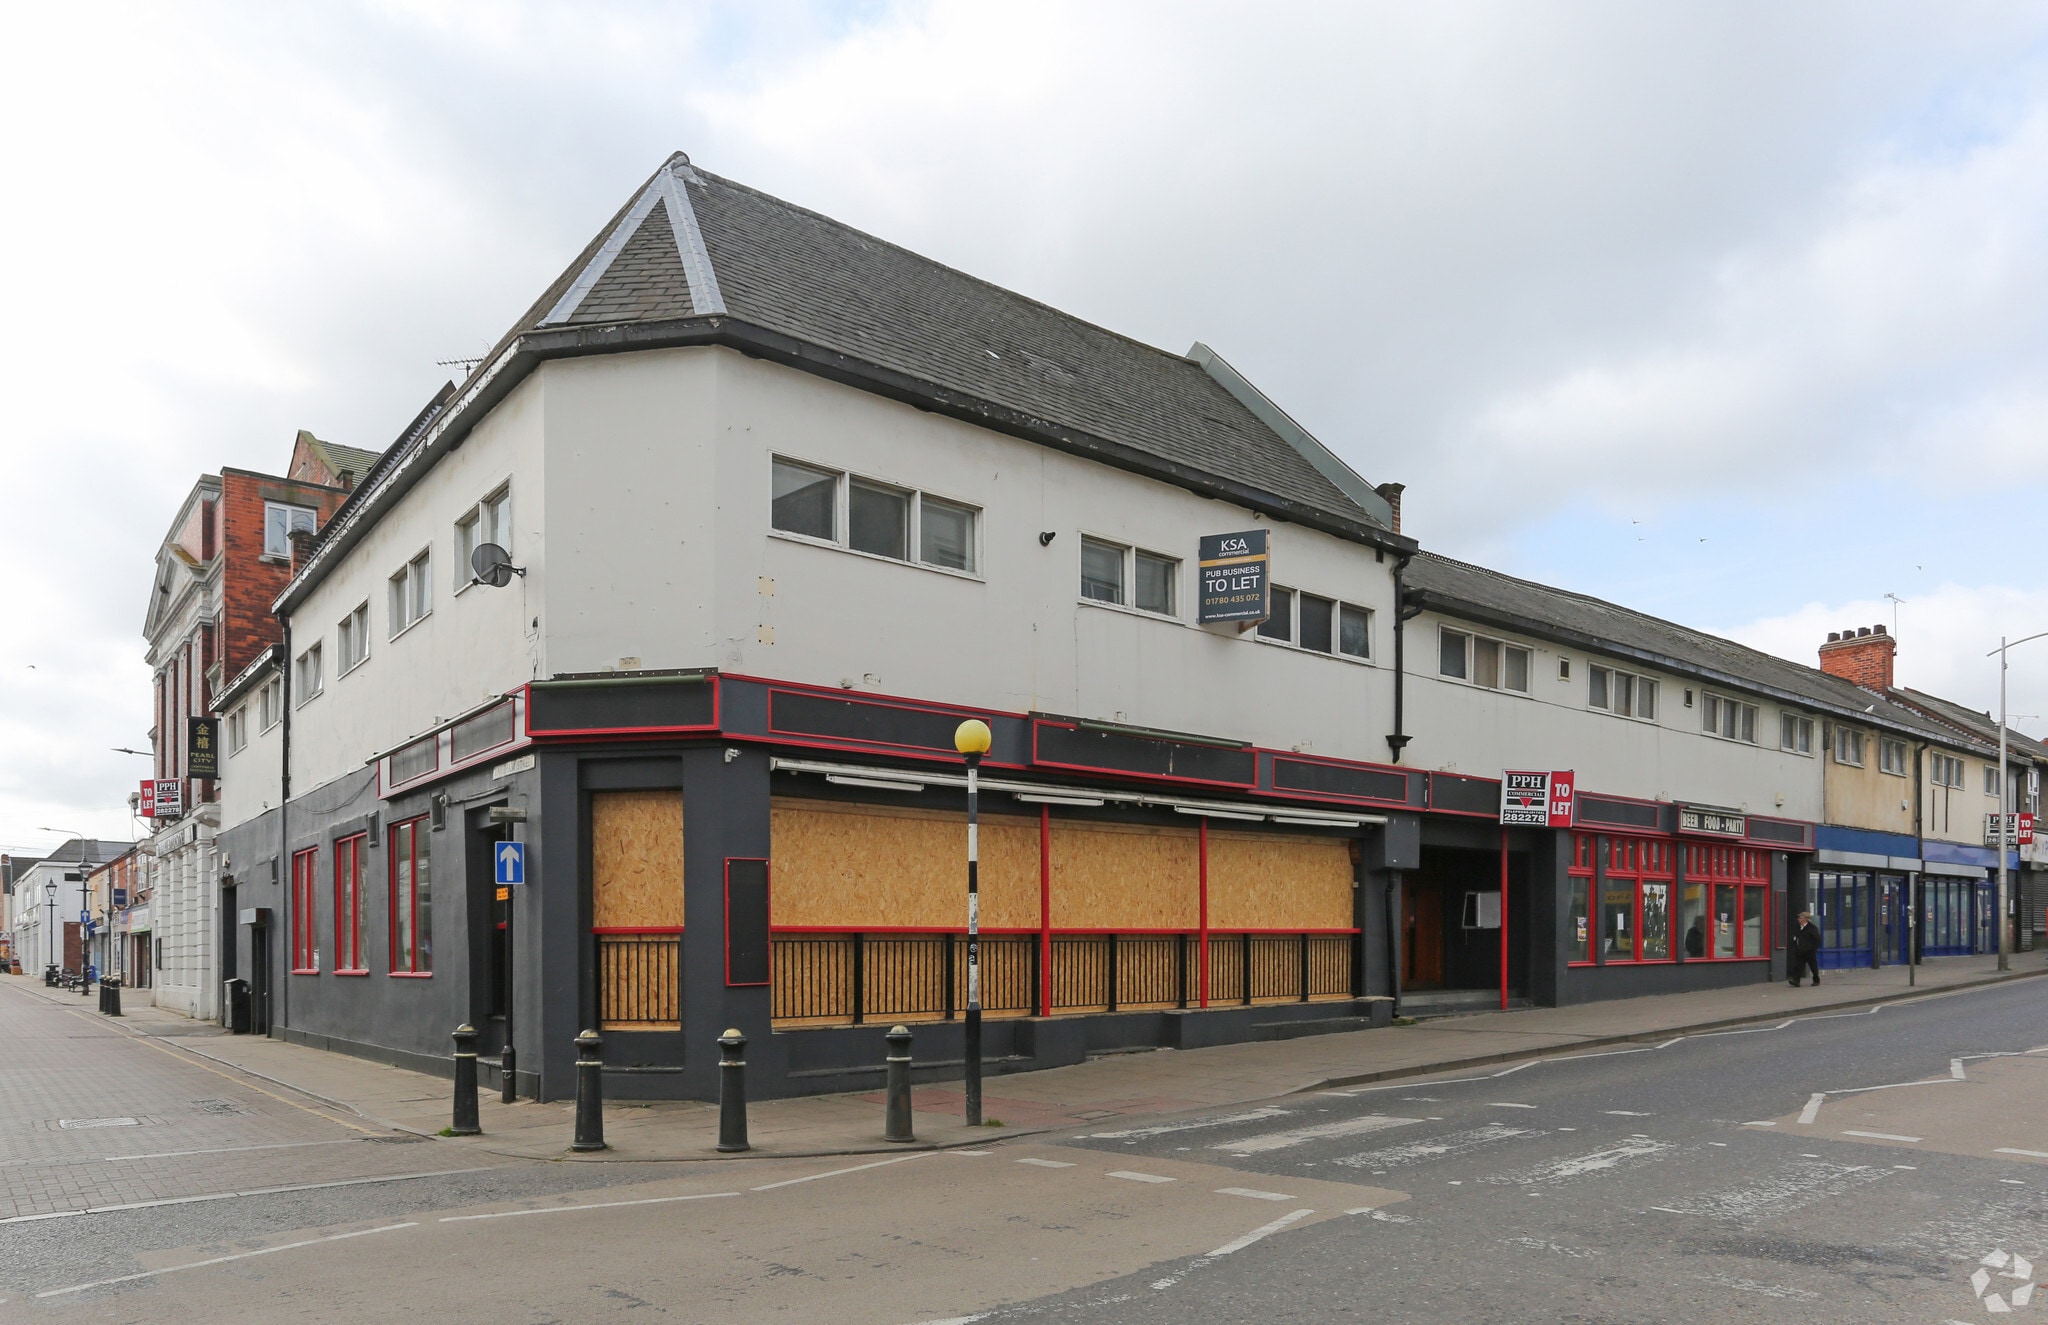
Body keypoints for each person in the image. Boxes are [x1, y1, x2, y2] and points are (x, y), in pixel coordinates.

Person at [1789, 910, 1822, 987]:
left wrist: (1813, 949)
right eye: (1799, 918)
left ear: (1805, 919)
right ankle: (1796, 981)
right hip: (1800, 950)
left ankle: (1816, 980)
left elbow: (1817, 939)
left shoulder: (1812, 928)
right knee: (1798, 966)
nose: (1798, 919)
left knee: (1813, 966)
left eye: (1800, 918)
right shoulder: (1798, 927)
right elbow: (1796, 937)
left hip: (1809, 951)